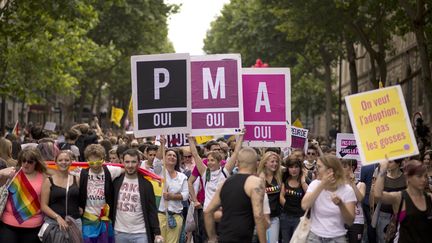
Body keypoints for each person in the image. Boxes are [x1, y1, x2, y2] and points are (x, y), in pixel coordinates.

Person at [204, 147, 267, 243]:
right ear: (255, 163)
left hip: (224, 236)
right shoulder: (255, 182)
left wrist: (212, 237)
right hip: (243, 237)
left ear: (237, 163)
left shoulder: (224, 183)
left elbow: (207, 211)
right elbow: (258, 215)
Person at [374, 159, 432, 242]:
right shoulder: (399, 197)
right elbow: (378, 195)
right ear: (408, 177)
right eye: (419, 176)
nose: (424, 179)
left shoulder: (429, 198)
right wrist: (382, 170)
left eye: (425, 176)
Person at [301, 154, 356, 242]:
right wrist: (322, 184)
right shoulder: (315, 184)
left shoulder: (347, 190)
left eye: (319, 167)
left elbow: (350, 221)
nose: (316, 170)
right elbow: (304, 205)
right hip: (314, 236)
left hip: (337, 237)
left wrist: (341, 204)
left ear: (330, 170)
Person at [112, 149, 163, 243]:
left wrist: (157, 232)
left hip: (140, 233)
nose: (130, 165)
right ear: (122, 162)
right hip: (119, 232)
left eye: (133, 162)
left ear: (139, 163)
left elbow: (152, 210)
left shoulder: (146, 185)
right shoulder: (116, 181)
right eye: (127, 162)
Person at [0, 148, 47, 243]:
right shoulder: (12, 173)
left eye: (30, 161)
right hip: (8, 224)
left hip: (33, 226)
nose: (26, 164)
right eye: (23, 160)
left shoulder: (44, 178)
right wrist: (1, 173)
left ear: (36, 163)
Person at [79, 144, 123, 242]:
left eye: (98, 161)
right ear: (87, 160)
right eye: (91, 161)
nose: (95, 164)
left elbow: (128, 169)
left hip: (106, 218)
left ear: (103, 159)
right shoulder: (82, 172)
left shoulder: (110, 170)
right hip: (88, 217)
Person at [153, 136, 188, 243]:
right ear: (165, 157)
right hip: (161, 215)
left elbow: (186, 195)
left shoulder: (182, 176)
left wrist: (172, 196)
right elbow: (157, 161)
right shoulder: (159, 171)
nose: (172, 157)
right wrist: (162, 145)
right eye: (169, 155)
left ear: (177, 160)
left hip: (176, 216)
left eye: (174, 156)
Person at [40, 150, 81, 236]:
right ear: (55, 162)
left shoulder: (76, 179)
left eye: (66, 160)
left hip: (74, 222)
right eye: (60, 160)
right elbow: (43, 205)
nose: (63, 162)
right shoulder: (48, 181)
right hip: (55, 223)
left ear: (71, 162)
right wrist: (57, 217)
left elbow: (81, 199)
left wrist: (81, 208)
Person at [373, 158, 406, 243]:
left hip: (401, 215)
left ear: (398, 163)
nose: (387, 164)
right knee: (382, 239)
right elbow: (375, 197)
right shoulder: (382, 177)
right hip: (384, 215)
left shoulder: (405, 178)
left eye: (390, 162)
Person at [280, 157, 308, 242]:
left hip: (299, 218)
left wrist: (303, 180)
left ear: (300, 168)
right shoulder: (285, 180)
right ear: (288, 169)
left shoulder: (305, 181)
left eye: (296, 167)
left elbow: (309, 194)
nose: (294, 170)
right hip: (285, 216)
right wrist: (288, 207)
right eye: (291, 167)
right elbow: (281, 196)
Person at [257, 151, 282, 243]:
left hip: (274, 217)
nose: (275, 164)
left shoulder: (279, 176)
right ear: (265, 163)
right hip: (260, 217)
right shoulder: (259, 177)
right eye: (272, 161)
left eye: (276, 161)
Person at [342, 159, 366, 243]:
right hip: (341, 220)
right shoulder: (339, 185)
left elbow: (360, 198)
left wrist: (352, 183)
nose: (341, 169)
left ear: (352, 168)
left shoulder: (361, 184)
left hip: (357, 221)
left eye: (344, 166)